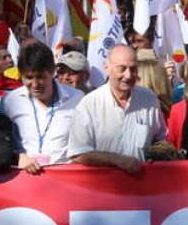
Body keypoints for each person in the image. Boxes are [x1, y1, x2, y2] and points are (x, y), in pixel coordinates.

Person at [67, 45, 168, 173]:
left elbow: (160, 139)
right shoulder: (89, 104)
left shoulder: (149, 99)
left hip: (143, 186)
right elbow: (78, 153)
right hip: (104, 189)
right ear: (106, 68)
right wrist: (116, 160)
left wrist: (159, 154)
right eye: (122, 69)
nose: (128, 75)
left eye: (133, 69)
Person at [2, 43, 84, 173]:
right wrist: (16, 157)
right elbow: (2, 144)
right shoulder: (10, 101)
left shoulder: (77, 99)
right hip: (24, 180)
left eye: (40, 77)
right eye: (29, 77)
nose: (35, 84)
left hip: (64, 179)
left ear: (52, 72)